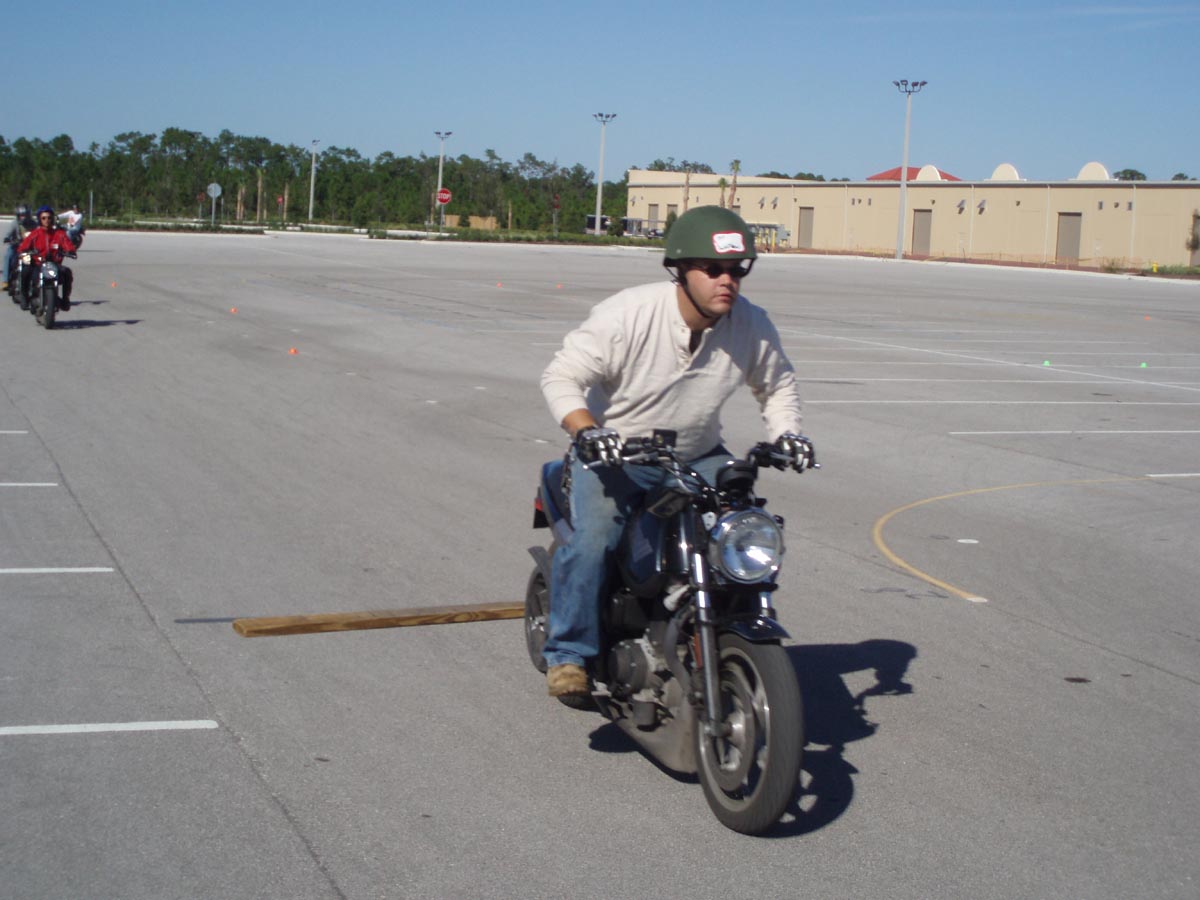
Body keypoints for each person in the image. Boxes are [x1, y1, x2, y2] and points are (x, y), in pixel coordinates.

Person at [539, 206, 811, 701]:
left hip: (698, 454)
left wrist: (788, 434)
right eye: (713, 269)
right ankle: (568, 653)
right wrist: (587, 431)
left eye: (736, 270)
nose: (727, 281)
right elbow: (562, 376)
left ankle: (726, 621)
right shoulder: (629, 313)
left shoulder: (750, 324)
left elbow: (777, 386)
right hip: (616, 454)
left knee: (742, 531)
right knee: (594, 541)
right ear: (680, 271)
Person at [18, 205, 77, 309]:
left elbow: (68, 245)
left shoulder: (59, 234)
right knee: (25, 271)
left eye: (49, 218)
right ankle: (25, 296)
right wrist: (25, 252)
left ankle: (65, 299)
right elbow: (23, 247)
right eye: (44, 218)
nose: (47, 220)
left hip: (54, 265)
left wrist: (70, 251)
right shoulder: (35, 234)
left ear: (52, 219)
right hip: (38, 264)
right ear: (40, 219)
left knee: (67, 272)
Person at [2, 204, 34, 291]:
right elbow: (8, 233)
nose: (22, 217)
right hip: (16, 246)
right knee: (8, 256)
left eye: (24, 215)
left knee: (38, 259)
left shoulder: (33, 224)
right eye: (20, 215)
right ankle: (5, 281)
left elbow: (39, 233)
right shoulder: (14, 223)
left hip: (29, 248)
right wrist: (7, 238)